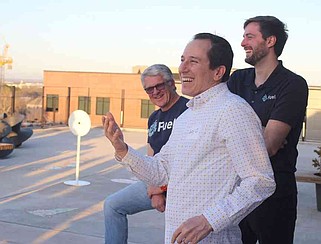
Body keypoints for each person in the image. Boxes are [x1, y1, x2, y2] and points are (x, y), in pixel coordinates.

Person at [103, 33, 276, 243]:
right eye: (182, 60)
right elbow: (161, 171)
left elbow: (261, 181)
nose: (183, 68)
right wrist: (122, 150)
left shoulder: (233, 110)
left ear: (218, 72)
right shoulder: (187, 116)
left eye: (193, 61)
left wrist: (209, 221)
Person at [227, 16, 309, 244]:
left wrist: (238, 130)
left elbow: (269, 146)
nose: (243, 42)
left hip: (274, 193)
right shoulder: (237, 79)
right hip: (236, 190)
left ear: (270, 41)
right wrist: (260, 127)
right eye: (244, 36)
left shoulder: (293, 84)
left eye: (250, 36)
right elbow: (217, 127)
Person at [104, 64, 189, 244]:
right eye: (149, 89)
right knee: (112, 205)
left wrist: (161, 189)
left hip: (183, 186)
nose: (155, 92)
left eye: (159, 86)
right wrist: (153, 189)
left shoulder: (188, 110)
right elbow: (150, 157)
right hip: (156, 182)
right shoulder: (154, 118)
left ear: (172, 83)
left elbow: (189, 161)